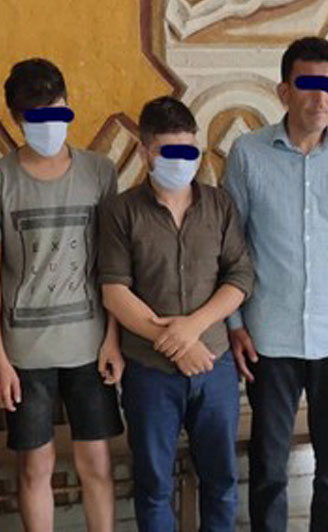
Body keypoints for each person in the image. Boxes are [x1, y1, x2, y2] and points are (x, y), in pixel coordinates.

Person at [223, 36, 328, 531]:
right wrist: (234, 322)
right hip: (269, 335)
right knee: (269, 463)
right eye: (308, 84)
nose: (320, 97)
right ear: (284, 90)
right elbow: (232, 245)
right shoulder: (248, 153)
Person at [99, 95, 253, 531]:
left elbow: (240, 275)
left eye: (189, 151)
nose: (182, 161)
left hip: (214, 365)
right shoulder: (121, 211)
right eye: (169, 152)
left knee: (221, 479)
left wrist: (193, 329)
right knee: (153, 485)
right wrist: (175, 344)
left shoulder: (220, 205)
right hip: (149, 372)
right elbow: (114, 291)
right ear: (146, 151)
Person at [0, 58, 124, 532]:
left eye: (55, 111)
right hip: (23, 352)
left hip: (90, 346)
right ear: (15, 117)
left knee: (98, 463)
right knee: (33, 467)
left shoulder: (100, 172)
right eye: (34, 116)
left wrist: (113, 338)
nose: (47, 124)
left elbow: (114, 265)